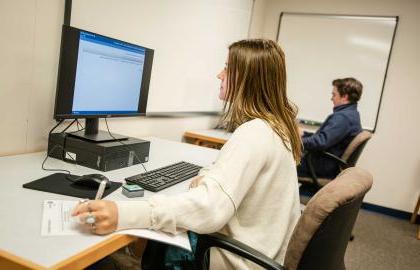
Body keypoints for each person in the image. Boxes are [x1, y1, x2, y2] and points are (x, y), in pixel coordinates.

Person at [72, 39, 302, 269]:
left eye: (228, 68)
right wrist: (210, 177)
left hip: (237, 260)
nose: (219, 75)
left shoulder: (254, 133)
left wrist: (122, 213)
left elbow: (209, 209)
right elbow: (222, 174)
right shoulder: (276, 129)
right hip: (265, 251)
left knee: (139, 248)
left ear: (247, 78)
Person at [297, 77, 363, 179]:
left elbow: (320, 142)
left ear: (345, 96)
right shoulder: (352, 114)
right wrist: (304, 134)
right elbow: (327, 138)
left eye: (334, 95)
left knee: (283, 162)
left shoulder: (343, 118)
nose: (331, 98)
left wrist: (295, 141)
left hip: (321, 167)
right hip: (327, 164)